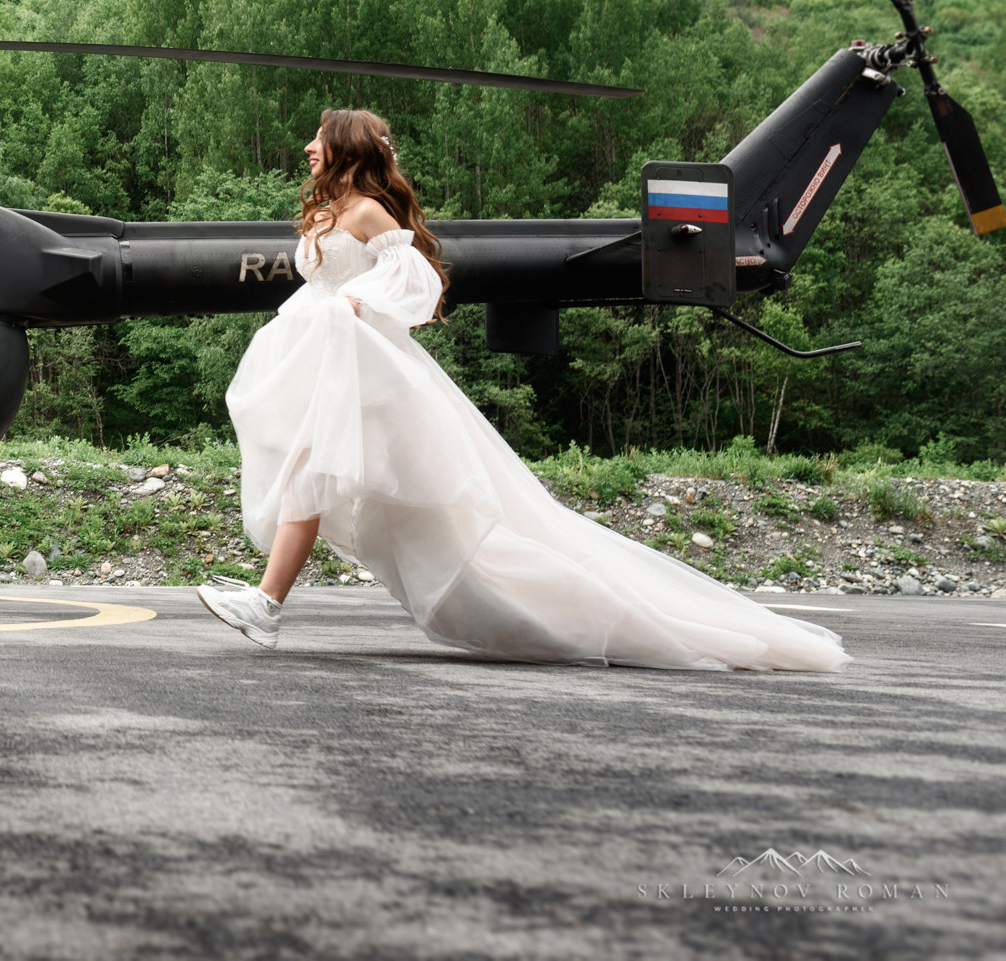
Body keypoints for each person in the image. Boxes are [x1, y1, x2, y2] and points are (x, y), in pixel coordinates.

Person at [194, 109, 848, 673]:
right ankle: (275, 603)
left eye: (318, 138)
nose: (308, 147)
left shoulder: (366, 211)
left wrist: (357, 305)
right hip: (336, 370)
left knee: (322, 478)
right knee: (380, 502)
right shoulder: (331, 210)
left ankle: (266, 605)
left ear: (345, 148)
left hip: (372, 379)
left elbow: (416, 282)